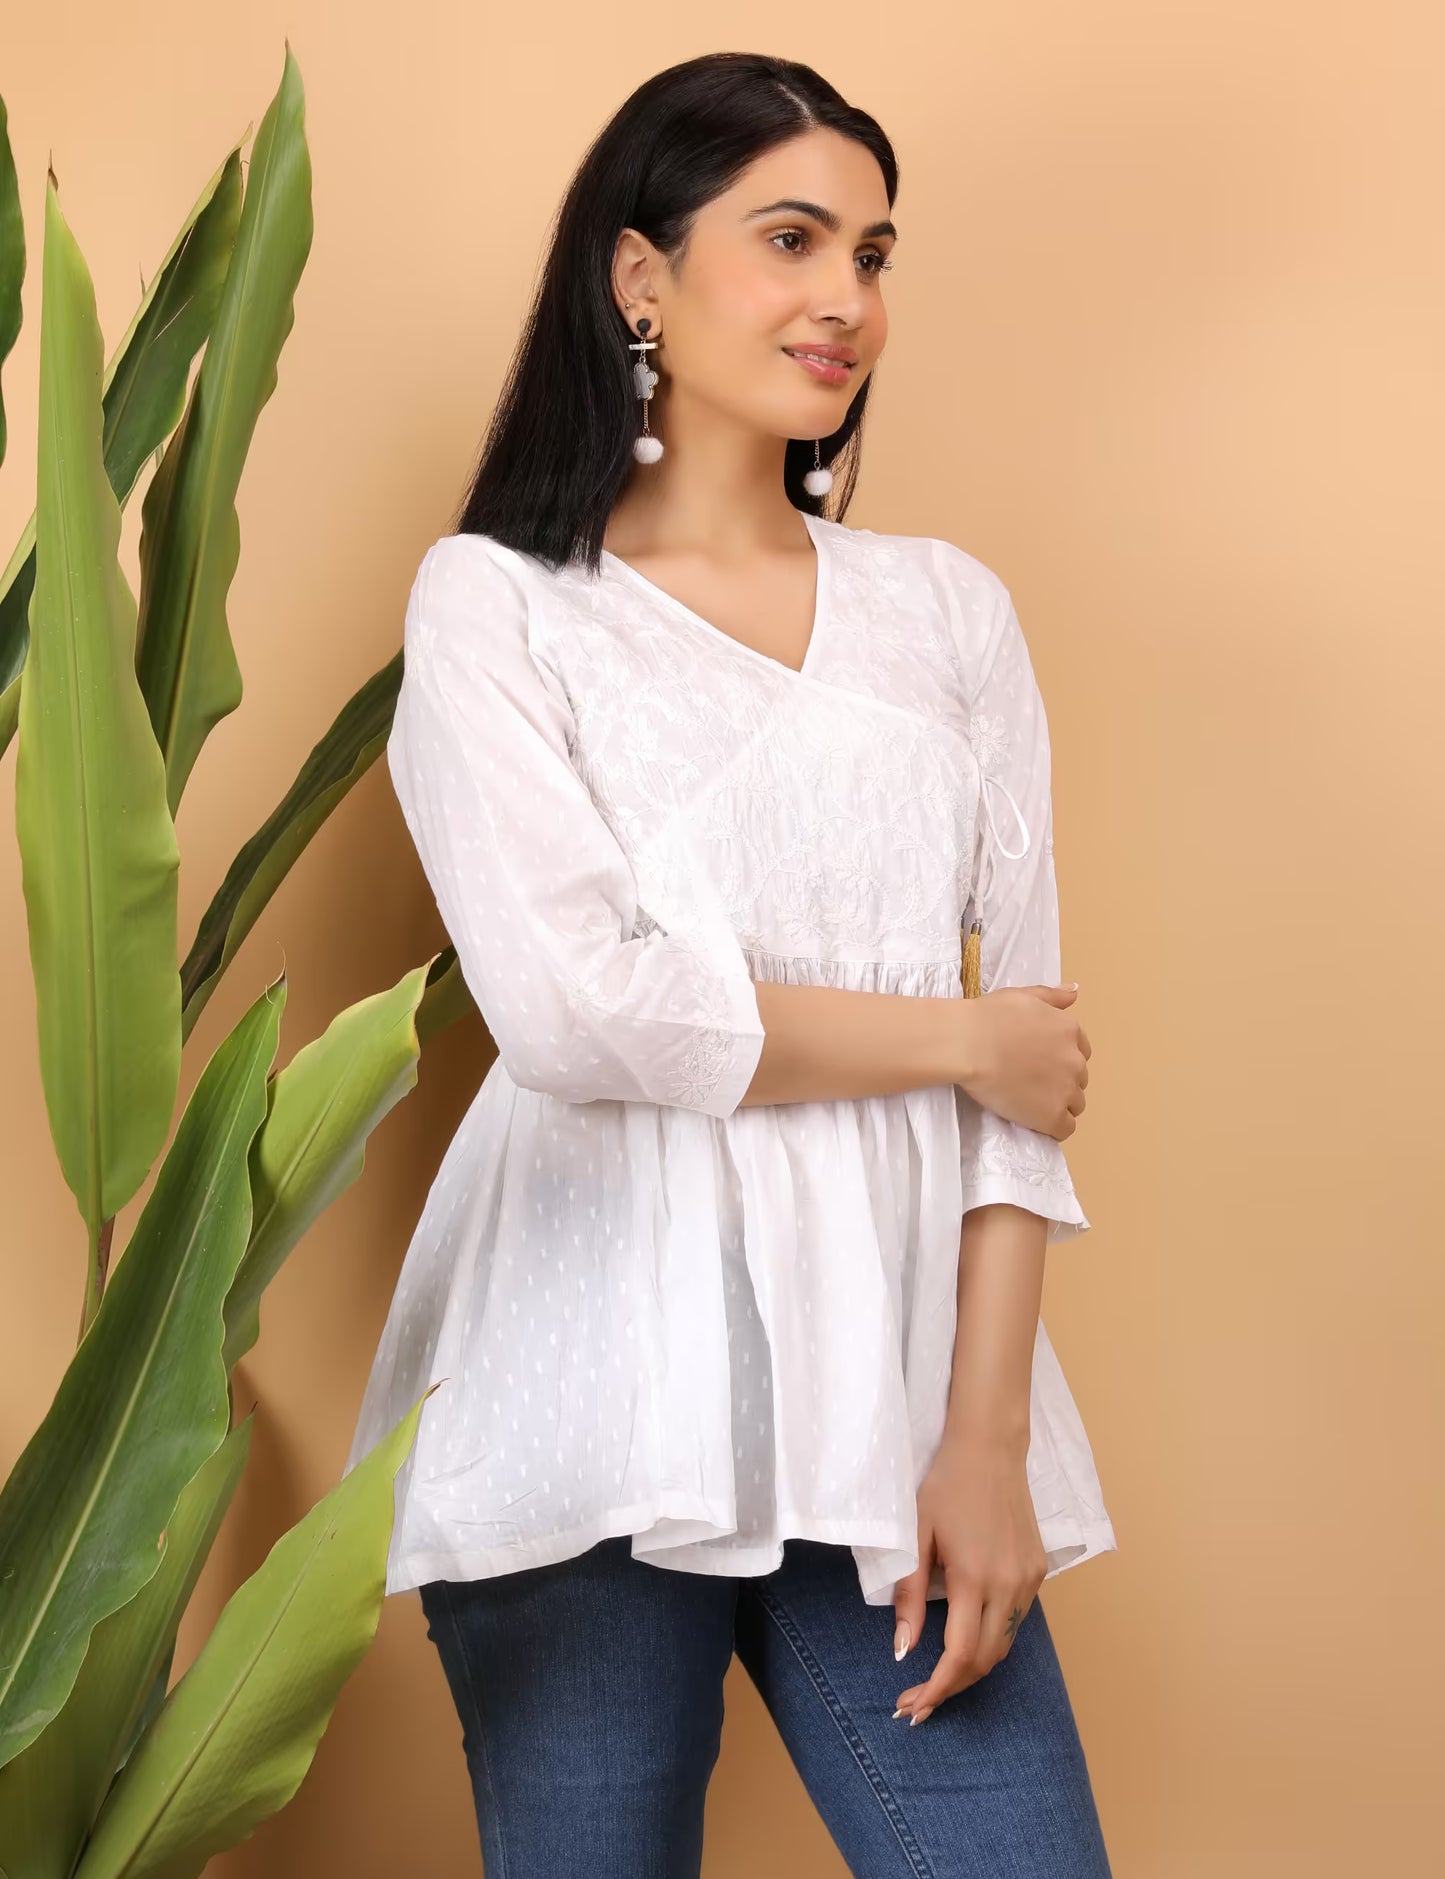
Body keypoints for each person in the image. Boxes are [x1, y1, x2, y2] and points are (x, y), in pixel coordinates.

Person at [345, 50, 1117, 1878]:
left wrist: (984, 1442)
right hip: (586, 1381)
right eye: (790, 239)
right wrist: (954, 1042)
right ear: (641, 275)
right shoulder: (499, 605)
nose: (845, 297)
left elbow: (1031, 1072)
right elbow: (576, 1014)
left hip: (893, 1394)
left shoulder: (947, 611)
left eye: (872, 253)